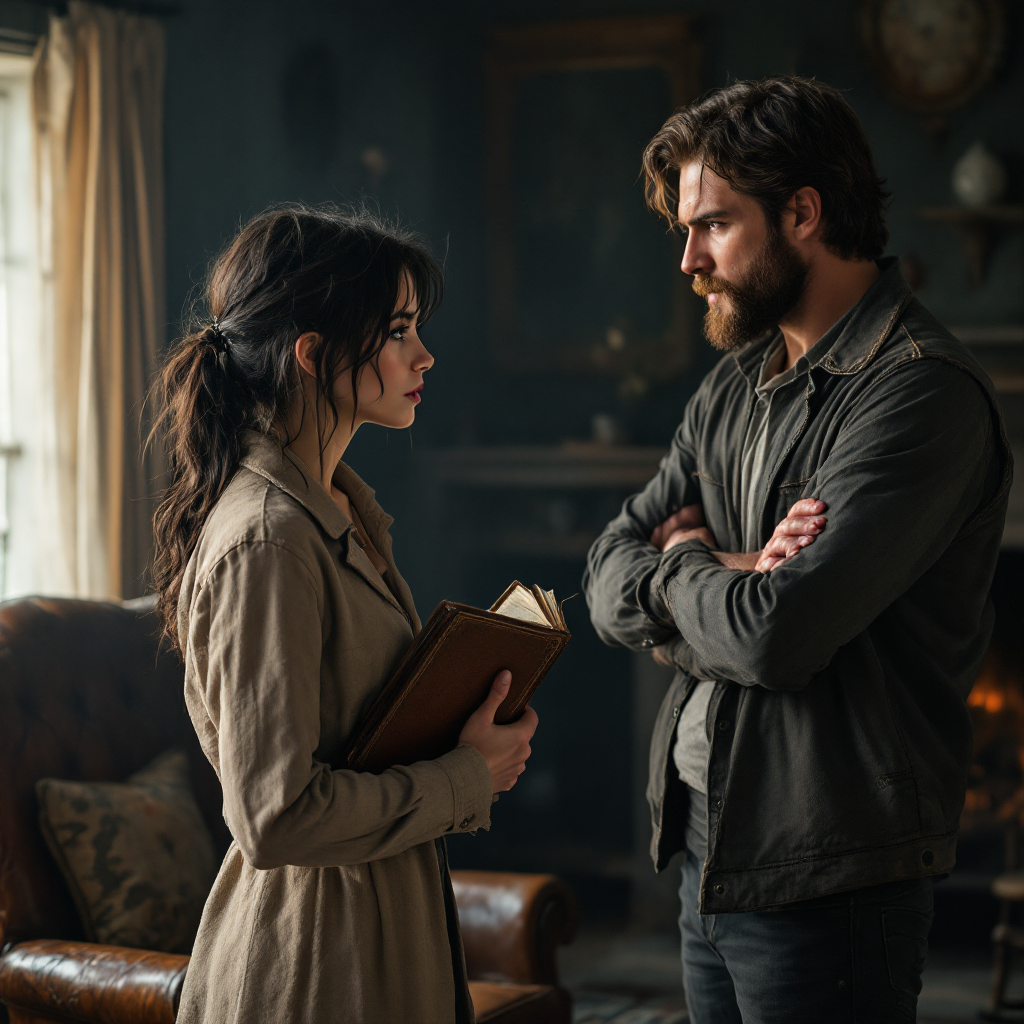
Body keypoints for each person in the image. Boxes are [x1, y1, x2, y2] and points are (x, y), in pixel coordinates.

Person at [583, 77, 1011, 1023]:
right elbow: (606, 572)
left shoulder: (919, 395)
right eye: (685, 231)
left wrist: (686, 569)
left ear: (804, 213)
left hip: (831, 873)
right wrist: (730, 571)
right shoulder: (730, 389)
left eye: (714, 226)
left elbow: (779, 639)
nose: (689, 260)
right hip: (707, 848)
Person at [150, 204, 538, 1024]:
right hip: (311, 966)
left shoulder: (338, 507)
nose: (423, 353)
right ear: (314, 354)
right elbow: (275, 817)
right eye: (398, 330)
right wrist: (469, 775)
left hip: (381, 940)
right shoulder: (269, 538)